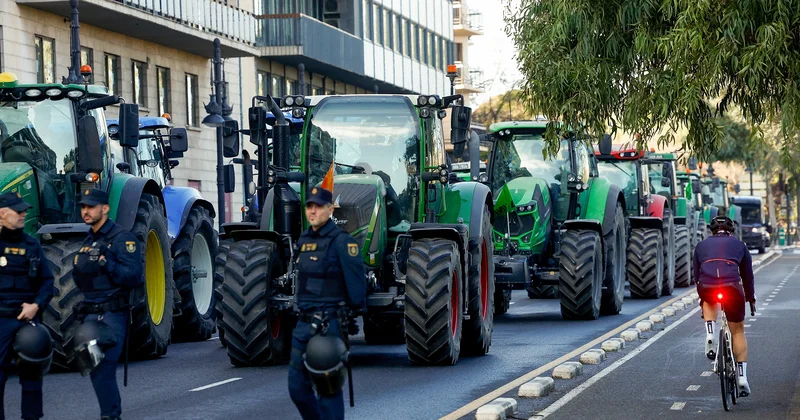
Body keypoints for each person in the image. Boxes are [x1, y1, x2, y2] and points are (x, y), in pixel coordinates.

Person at [288, 182, 366, 420]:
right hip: (303, 325)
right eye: (309, 206)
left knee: (328, 390)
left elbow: (357, 290)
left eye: (319, 207)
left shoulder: (343, 242)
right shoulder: (303, 239)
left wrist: (344, 318)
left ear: (330, 209)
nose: (313, 211)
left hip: (328, 325)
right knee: (297, 388)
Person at [72, 189, 143, 420]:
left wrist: (107, 263)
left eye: (91, 207)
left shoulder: (123, 239)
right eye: (83, 207)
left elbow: (133, 277)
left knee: (104, 369)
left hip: (112, 315)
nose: (86, 211)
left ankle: (111, 416)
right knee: (92, 368)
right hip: (90, 316)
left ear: (105, 208)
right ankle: (110, 414)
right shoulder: (88, 240)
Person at [0, 192, 54, 420]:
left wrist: (36, 305)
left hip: (28, 319)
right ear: (2, 214)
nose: (24, 214)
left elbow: (47, 281)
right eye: (18, 210)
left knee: (32, 376)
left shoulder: (32, 245)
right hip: (1, 320)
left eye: (24, 210)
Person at [694, 215, 755, 396]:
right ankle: (742, 377)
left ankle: (710, 334)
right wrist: (750, 298)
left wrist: (701, 297)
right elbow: (748, 276)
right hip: (732, 287)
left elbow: (696, 276)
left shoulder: (701, 245)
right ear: (731, 230)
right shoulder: (740, 246)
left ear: (712, 230)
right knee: (738, 331)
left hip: (707, 286)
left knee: (708, 298)